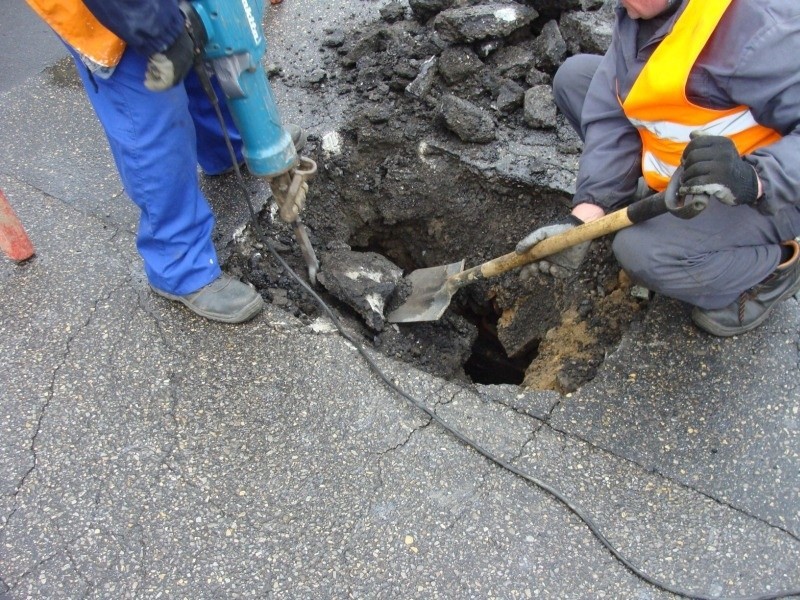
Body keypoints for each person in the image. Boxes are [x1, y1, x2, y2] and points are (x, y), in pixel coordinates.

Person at [517, 0, 800, 337]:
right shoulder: (646, 11)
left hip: (769, 192)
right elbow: (616, 109)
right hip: (692, 168)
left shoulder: (763, 28)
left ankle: (777, 266)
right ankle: (656, 203)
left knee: (641, 252)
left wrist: (754, 179)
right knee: (576, 78)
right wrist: (587, 216)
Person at [24, 0, 300, 323]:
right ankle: (180, 265)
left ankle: (225, 149)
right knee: (151, 112)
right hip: (114, 12)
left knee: (203, 48)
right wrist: (160, 28)